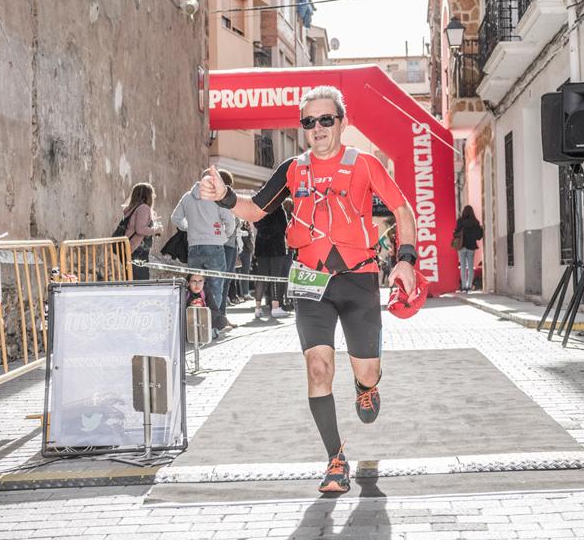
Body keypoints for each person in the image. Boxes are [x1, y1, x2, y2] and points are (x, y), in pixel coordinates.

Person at [197, 85, 419, 494]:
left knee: (364, 370)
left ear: (342, 123)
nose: (317, 128)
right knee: (318, 368)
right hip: (310, 281)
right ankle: (336, 460)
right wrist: (226, 197)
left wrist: (405, 258)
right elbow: (255, 208)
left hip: (359, 278)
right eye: (309, 121)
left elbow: (402, 208)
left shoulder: (366, 165)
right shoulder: (292, 170)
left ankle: (366, 387)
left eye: (325, 120)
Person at [173, 170, 237, 332]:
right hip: (215, 245)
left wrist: (189, 229)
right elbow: (230, 221)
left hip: (194, 246)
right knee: (216, 287)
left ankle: (196, 326)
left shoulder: (188, 197)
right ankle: (213, 327)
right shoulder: (216, 198)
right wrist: (225, 236)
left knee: (195, 286)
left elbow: (176, 218)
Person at [254, 200, 291, 320]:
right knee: (276, 277)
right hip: (276, 247)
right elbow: (284, 227)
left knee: (261, 277)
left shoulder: (259, 207)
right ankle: (275, 308)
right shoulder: (279, 209)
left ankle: (258, 308)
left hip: (261, 246)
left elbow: (256, 224)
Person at [118, 183, 161, 281]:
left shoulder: (132, 208)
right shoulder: (143, 208)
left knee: (131, 280)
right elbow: (140, 229)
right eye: (152, 194)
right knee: (141, 283)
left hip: (130, 249)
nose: (153, 197)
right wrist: (156, 230)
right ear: (148, 195)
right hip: (138, 250)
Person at [453, 205, 484, 292]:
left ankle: (463, 286)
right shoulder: (475, 222)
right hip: (471, 247)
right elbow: (479, 236)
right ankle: (469, 285)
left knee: (463, 266)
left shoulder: (460, 221)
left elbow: (456, 232)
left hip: (462, 246)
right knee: (470, 267)